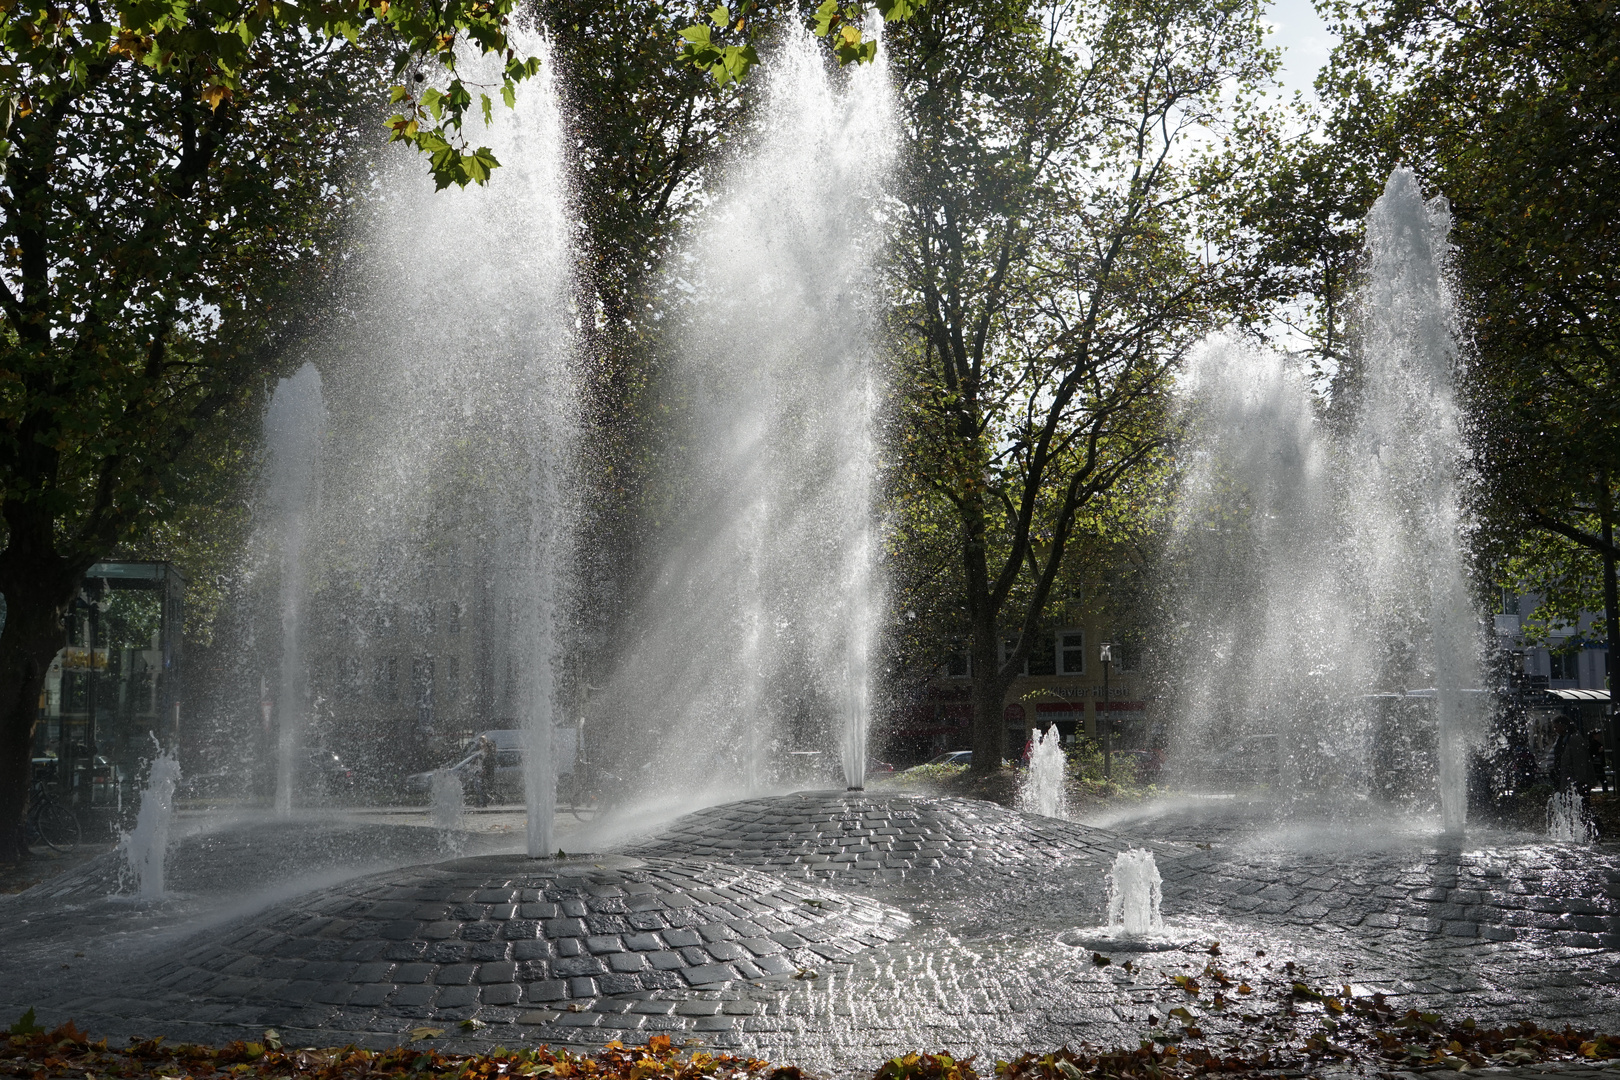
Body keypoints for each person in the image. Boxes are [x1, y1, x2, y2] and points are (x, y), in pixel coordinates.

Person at [1550, 715, 1595, 795]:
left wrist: (1580, 781)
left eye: (1556, 727)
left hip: (1575, 780)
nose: (1555, 730)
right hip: (1568, 777)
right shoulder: (1564, 738)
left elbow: (1580, 762)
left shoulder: (1574, 739)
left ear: (1563, 726)